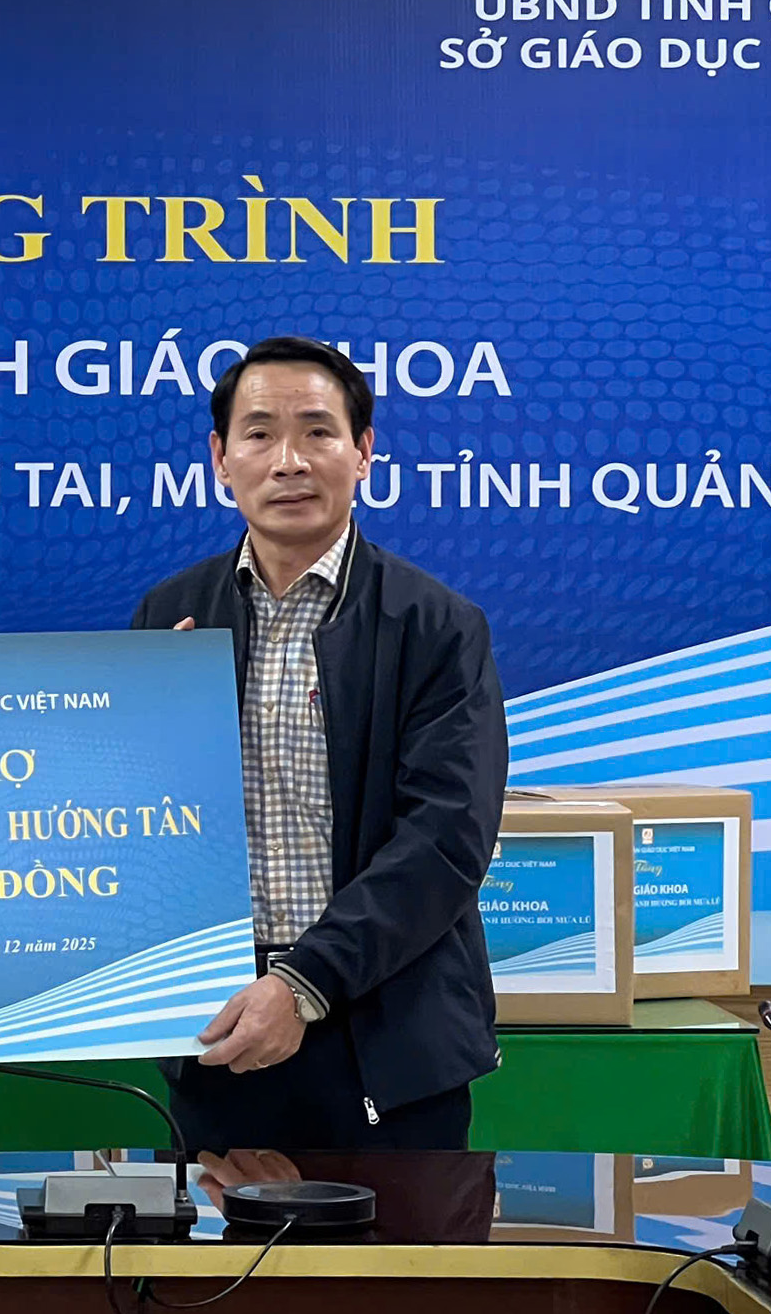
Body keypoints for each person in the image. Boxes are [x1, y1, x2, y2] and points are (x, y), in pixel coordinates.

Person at [131, 335, 507, 1152]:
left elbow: (446, 839)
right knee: (217, 1239)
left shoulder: (436, 627)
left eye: (317, 431)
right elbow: (133, 826)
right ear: (220, 459)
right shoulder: (170, 617)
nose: (289, 461)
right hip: (219, 1032)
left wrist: (302, 983)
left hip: (388, 1039)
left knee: (397, 1241)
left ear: (363, 452)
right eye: (260, 433)